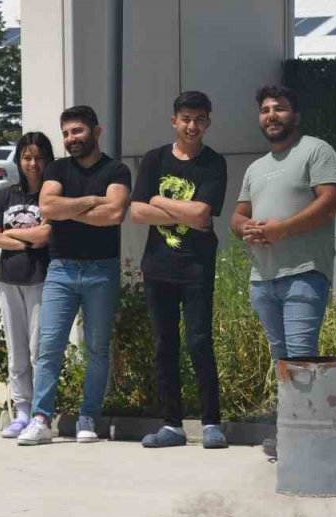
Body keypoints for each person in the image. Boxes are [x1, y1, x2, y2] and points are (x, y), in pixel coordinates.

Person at [232, 86, 336, 458]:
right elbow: (238, 215)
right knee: (282, 361)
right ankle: (293, 432)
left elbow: (332, 201)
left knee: (301, 357)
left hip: (304, 273)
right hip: (262, 280)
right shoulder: (256, 168)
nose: (271, 115)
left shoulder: (316, 150)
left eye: (279, 108)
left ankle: (306, 440)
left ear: (295, 115)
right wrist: (245, 228)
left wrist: (283, 229)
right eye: (265, 110)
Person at [17, 105, 131, 446]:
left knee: (97, 349)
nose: (71, 139)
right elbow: (47, 207)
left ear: (97, 131)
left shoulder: (116, 169)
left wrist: (69, 209)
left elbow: (114, 214)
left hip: (101, 270)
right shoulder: (57, 168)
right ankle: (41, 419)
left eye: (77, 131)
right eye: (66, 133)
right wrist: (92, 201)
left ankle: (88, 418)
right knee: (49, 347)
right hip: (61, 270)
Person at [129, 92, 229, 450]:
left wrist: (158, 200)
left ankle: (211, 422)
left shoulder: (214, 163)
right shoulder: (154, 160)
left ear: (208, 122)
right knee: (164, 345)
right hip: (158, 266)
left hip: (196, 266)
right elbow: (137, 212)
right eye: (186, 118)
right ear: (174, 121)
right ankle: (171, 425)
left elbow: (203, 214)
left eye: (199, 119)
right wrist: (176, 208)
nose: (192, 126)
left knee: (200, 342)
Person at [0, 131, 54, 439]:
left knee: (38, 348)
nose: (33, 164)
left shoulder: (51, 196)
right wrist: (26, 240)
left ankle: (40, 411)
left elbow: (46, 235)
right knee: (16, 349)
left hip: (40, 277)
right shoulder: (6, 195)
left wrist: (11, 235)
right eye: (27, 157)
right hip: (8, 278)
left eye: (39, 157)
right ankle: (22, 410)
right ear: (19, 160)